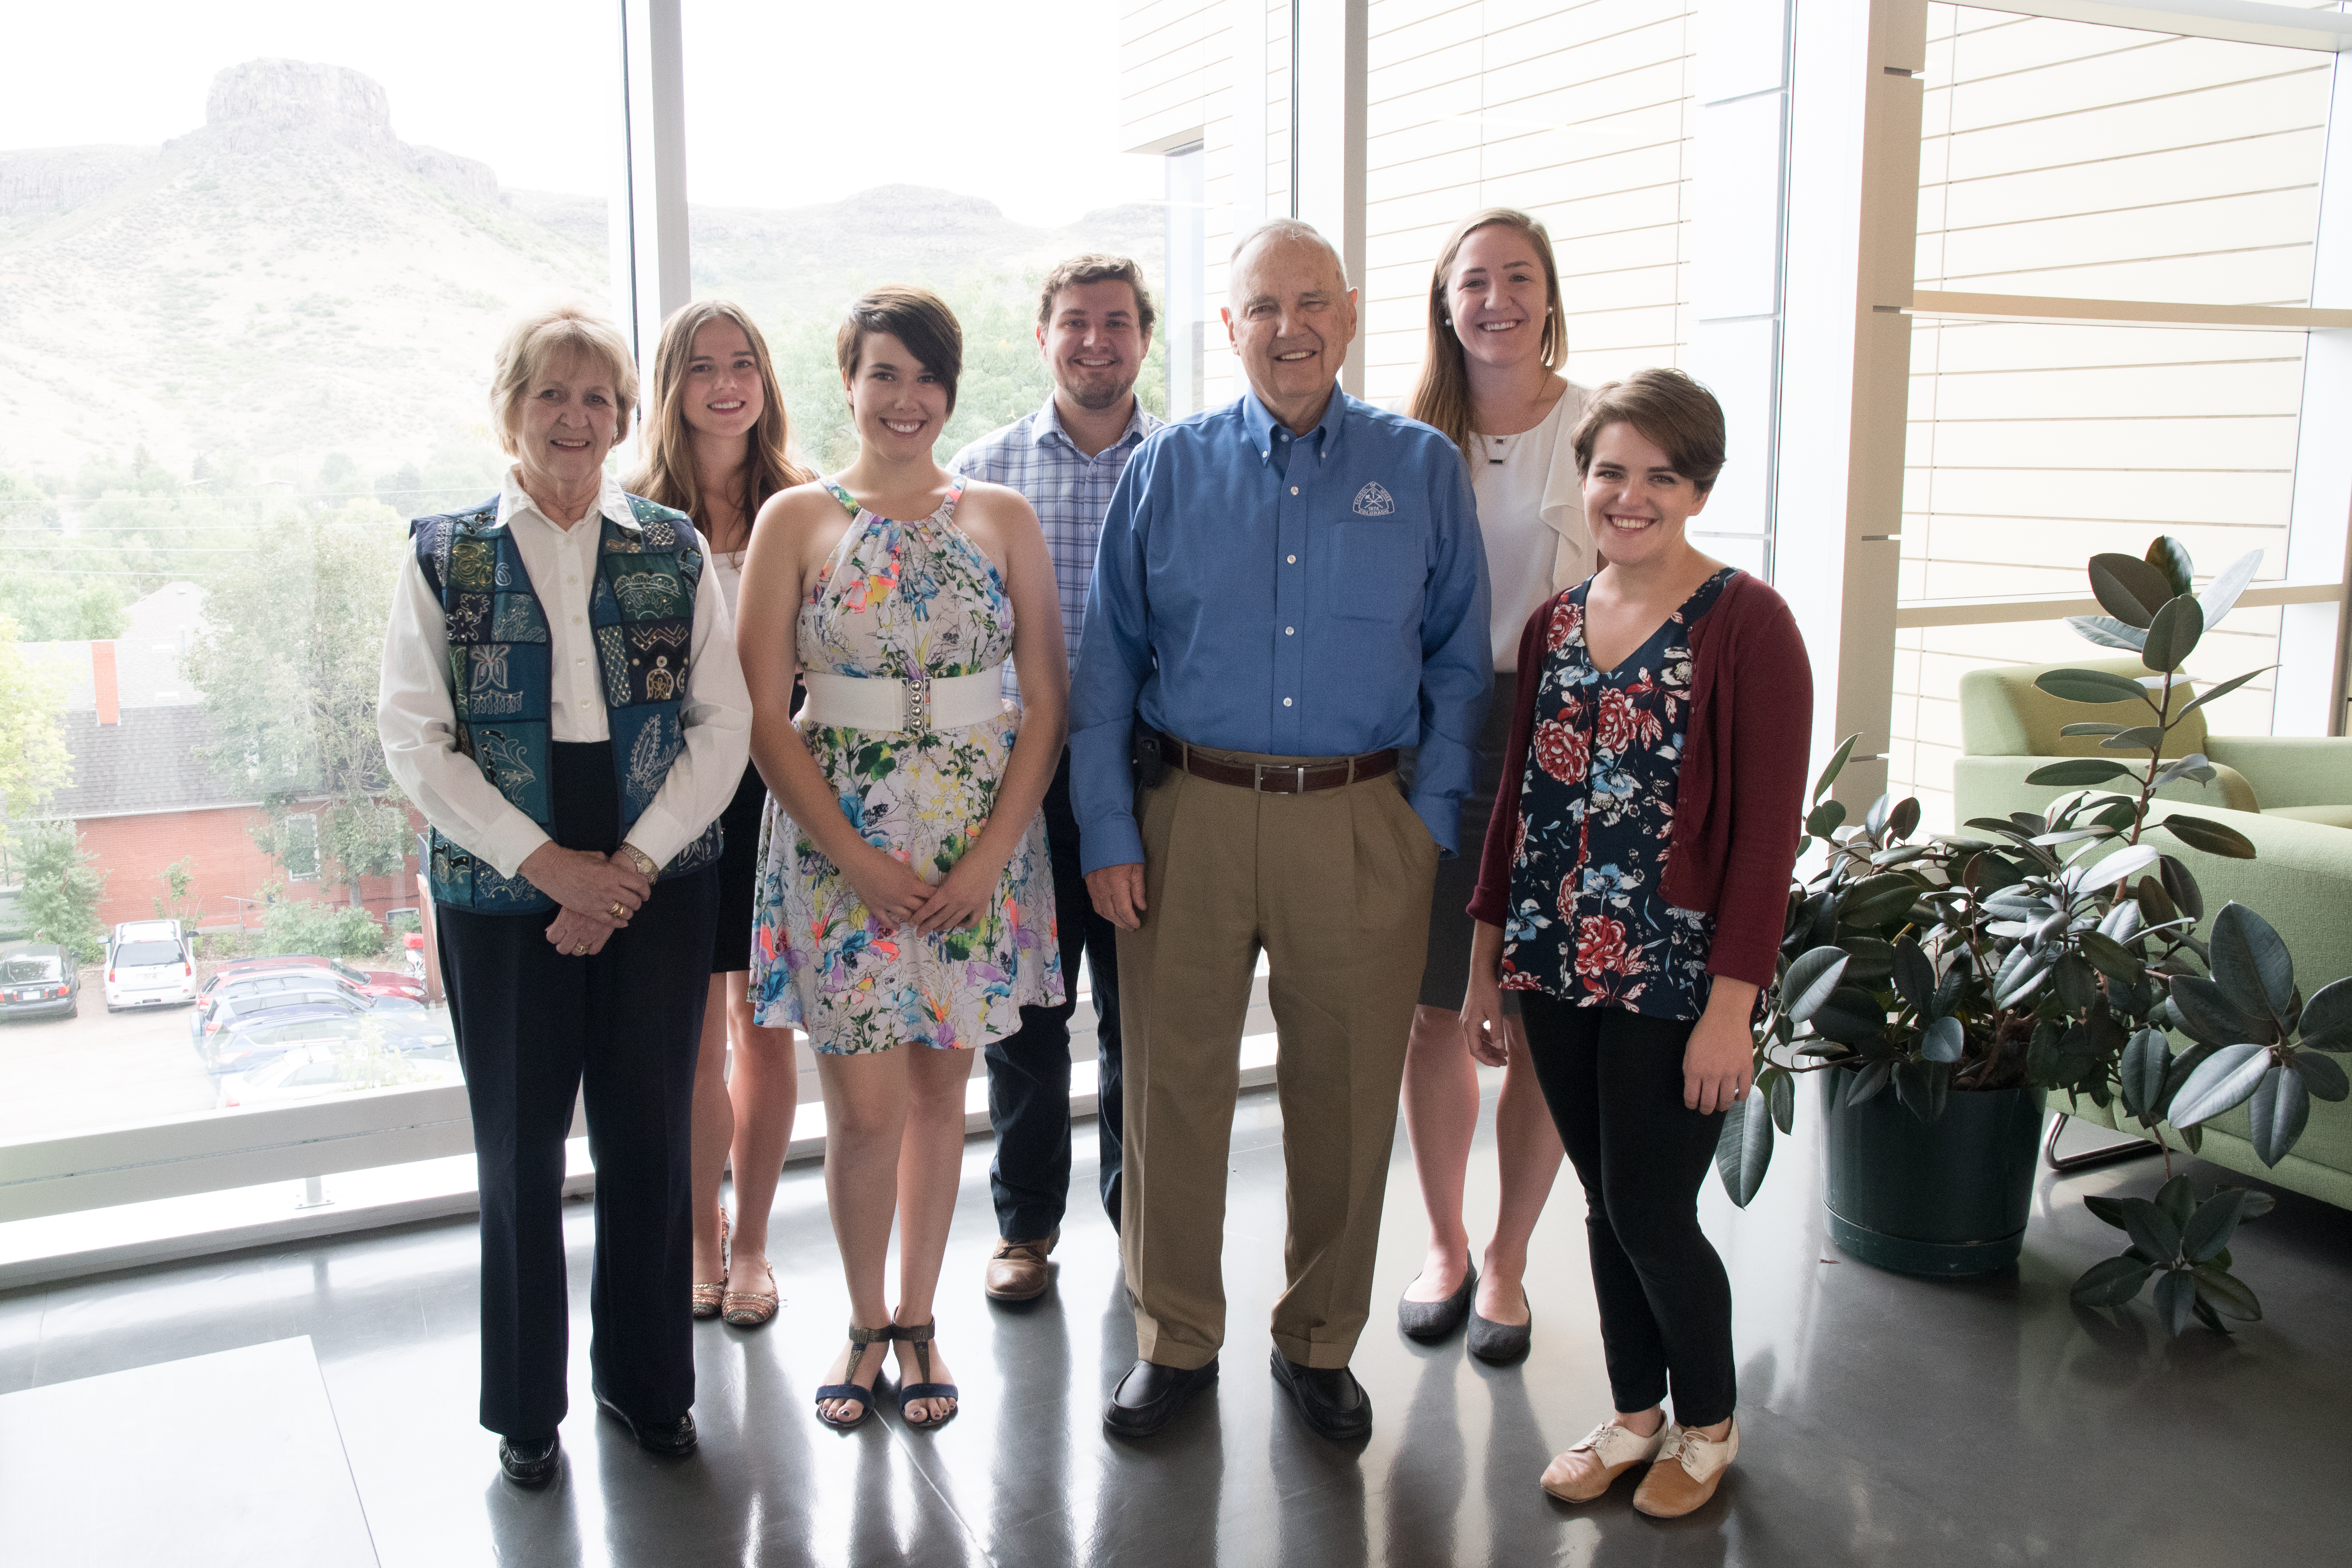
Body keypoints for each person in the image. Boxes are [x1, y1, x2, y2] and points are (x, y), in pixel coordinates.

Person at [1072, 218, 1491, 1444]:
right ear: (1228, 327)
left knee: (1346, 1096)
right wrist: (1110, 828)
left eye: (1312, 302)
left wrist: (1422, 827)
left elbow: (1459, 665)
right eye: (1263, 306)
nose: (1289, 328)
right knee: (1170, 1089)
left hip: (1362, 819)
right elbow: (1106, 670)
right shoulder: (1165, 470)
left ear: (1351, 313)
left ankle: (1319, 1341)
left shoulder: (1418, 469)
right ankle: (1177, 1340)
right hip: (1187, 817)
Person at [377, 300, 751, 1486]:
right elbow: (412, 735)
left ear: (624, 416)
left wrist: (629, 866)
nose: (577, 418)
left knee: (647, 1139)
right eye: (553, 394)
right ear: (511, 410)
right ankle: (525, 1410)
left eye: (599, 397)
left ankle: (647, 1386)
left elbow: (724, 721)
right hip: (503, 881)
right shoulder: (447, 551)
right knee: (519, 1152)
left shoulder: (671, 547)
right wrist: (546, 865)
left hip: (656, 862)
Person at [1460, 368, 1811, 1517]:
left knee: (1656, 1208)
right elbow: (1516, 809)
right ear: (1586, 477)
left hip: (1674, 969)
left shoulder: (1749, 623)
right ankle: (1634, 1413)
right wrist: (1487, 965)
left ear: (1698, 487)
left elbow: (1766, 837)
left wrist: (1732, 1006)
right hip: (1557, 958)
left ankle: (1707, 1420)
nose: (1631, 493)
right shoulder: (1553, 622)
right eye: (1613, 468)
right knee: (1606, 1203)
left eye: (1662, 473)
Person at [738, 286, 1066, 1431]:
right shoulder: (797, 520)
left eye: (925, 377)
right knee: (865, 1108)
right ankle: (865, 1318)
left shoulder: (1001, 517)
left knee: (942, 1096)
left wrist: (992, 856)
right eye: (884, 374)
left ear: (951, 391)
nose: (906, 398)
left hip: (978, 850)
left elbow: (1047, 701)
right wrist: (858, 861)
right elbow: (770, 717)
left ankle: (921, 1316)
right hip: (840, 856)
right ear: (848, 382)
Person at [946, 254, 1160, 1301]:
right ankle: (1025, 1226)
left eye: (1115, 322)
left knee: (1142, 1017)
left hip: (1147, 786)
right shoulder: (979, 476)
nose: (1094, 340)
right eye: (1074, 322)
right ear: (1043, 338)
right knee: (1027, 1016)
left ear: (1143, 340)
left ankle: (1139, 1222)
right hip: (1020, 788)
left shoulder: (1183, 465)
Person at [1394, 208, 1586, 1360]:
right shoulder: (1413, 431)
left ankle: (1511, 1254)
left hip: (1571, 722)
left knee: (1543, 1009)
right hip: (1440, 730)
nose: (1497, 298)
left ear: (1551, 295)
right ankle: (1446, 1242)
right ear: (1445, 300)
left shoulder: (1602, 421)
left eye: (1519, 277)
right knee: (1431, 1007)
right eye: (1475, 280)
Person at [626, 299, 815, 1331]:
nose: (727, 383)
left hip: (786, 791)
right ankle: (700, 1238)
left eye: (744, 362)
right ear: (673, 387)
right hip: (681, 798)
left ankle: (753, 1248)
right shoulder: (638, 517)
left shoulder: (808, 501)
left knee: (766, 1029)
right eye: (703, 367)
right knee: (696, 1041)